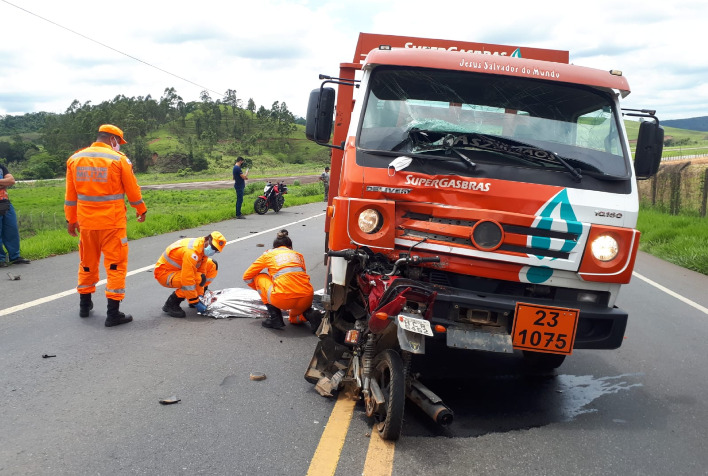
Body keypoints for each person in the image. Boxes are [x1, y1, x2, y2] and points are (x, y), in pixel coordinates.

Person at [65, 124, 147, 327]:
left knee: (87, 263)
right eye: (119, 141)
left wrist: (71, 220)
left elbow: (70, 195)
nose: (119, 145)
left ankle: (85, 305)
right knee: (115, 265)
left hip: (86, 224)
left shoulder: (75, 159)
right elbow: (132, 189)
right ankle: (113, 314)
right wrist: (141, 209)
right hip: (112, 223)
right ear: (113, 139)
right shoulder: (119, 159)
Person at [242, 229, 321, 331]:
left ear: (274, 247)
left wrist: (264, 292)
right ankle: (308, 315)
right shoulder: (298, 255)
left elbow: (247, 276)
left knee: (259, 277)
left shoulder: (268, 255)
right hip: (306, 297)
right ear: (290, 247)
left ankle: (275, 318)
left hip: (282, 299)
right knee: (293, 319)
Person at [155, 231, 226, 318]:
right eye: (213, 247)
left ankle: (195, 296)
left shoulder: (202, 248)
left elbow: (202, 271)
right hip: (164, 274)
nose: (213, 251)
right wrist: (195, 301)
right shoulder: (191, 252)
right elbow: (187, 279)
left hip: (179, 271)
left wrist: (199, 296)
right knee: (196, 279)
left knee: (211, 265)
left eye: (216, 250)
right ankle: (171, 303)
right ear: (208, 239)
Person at [0, 163, 30, 267]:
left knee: (11, 230)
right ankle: (1, 259)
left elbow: (11, 181)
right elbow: (7, 182)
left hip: (5, 203)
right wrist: (4, 183)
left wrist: (5, 182)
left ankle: (15, 256)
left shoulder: (1, 166)